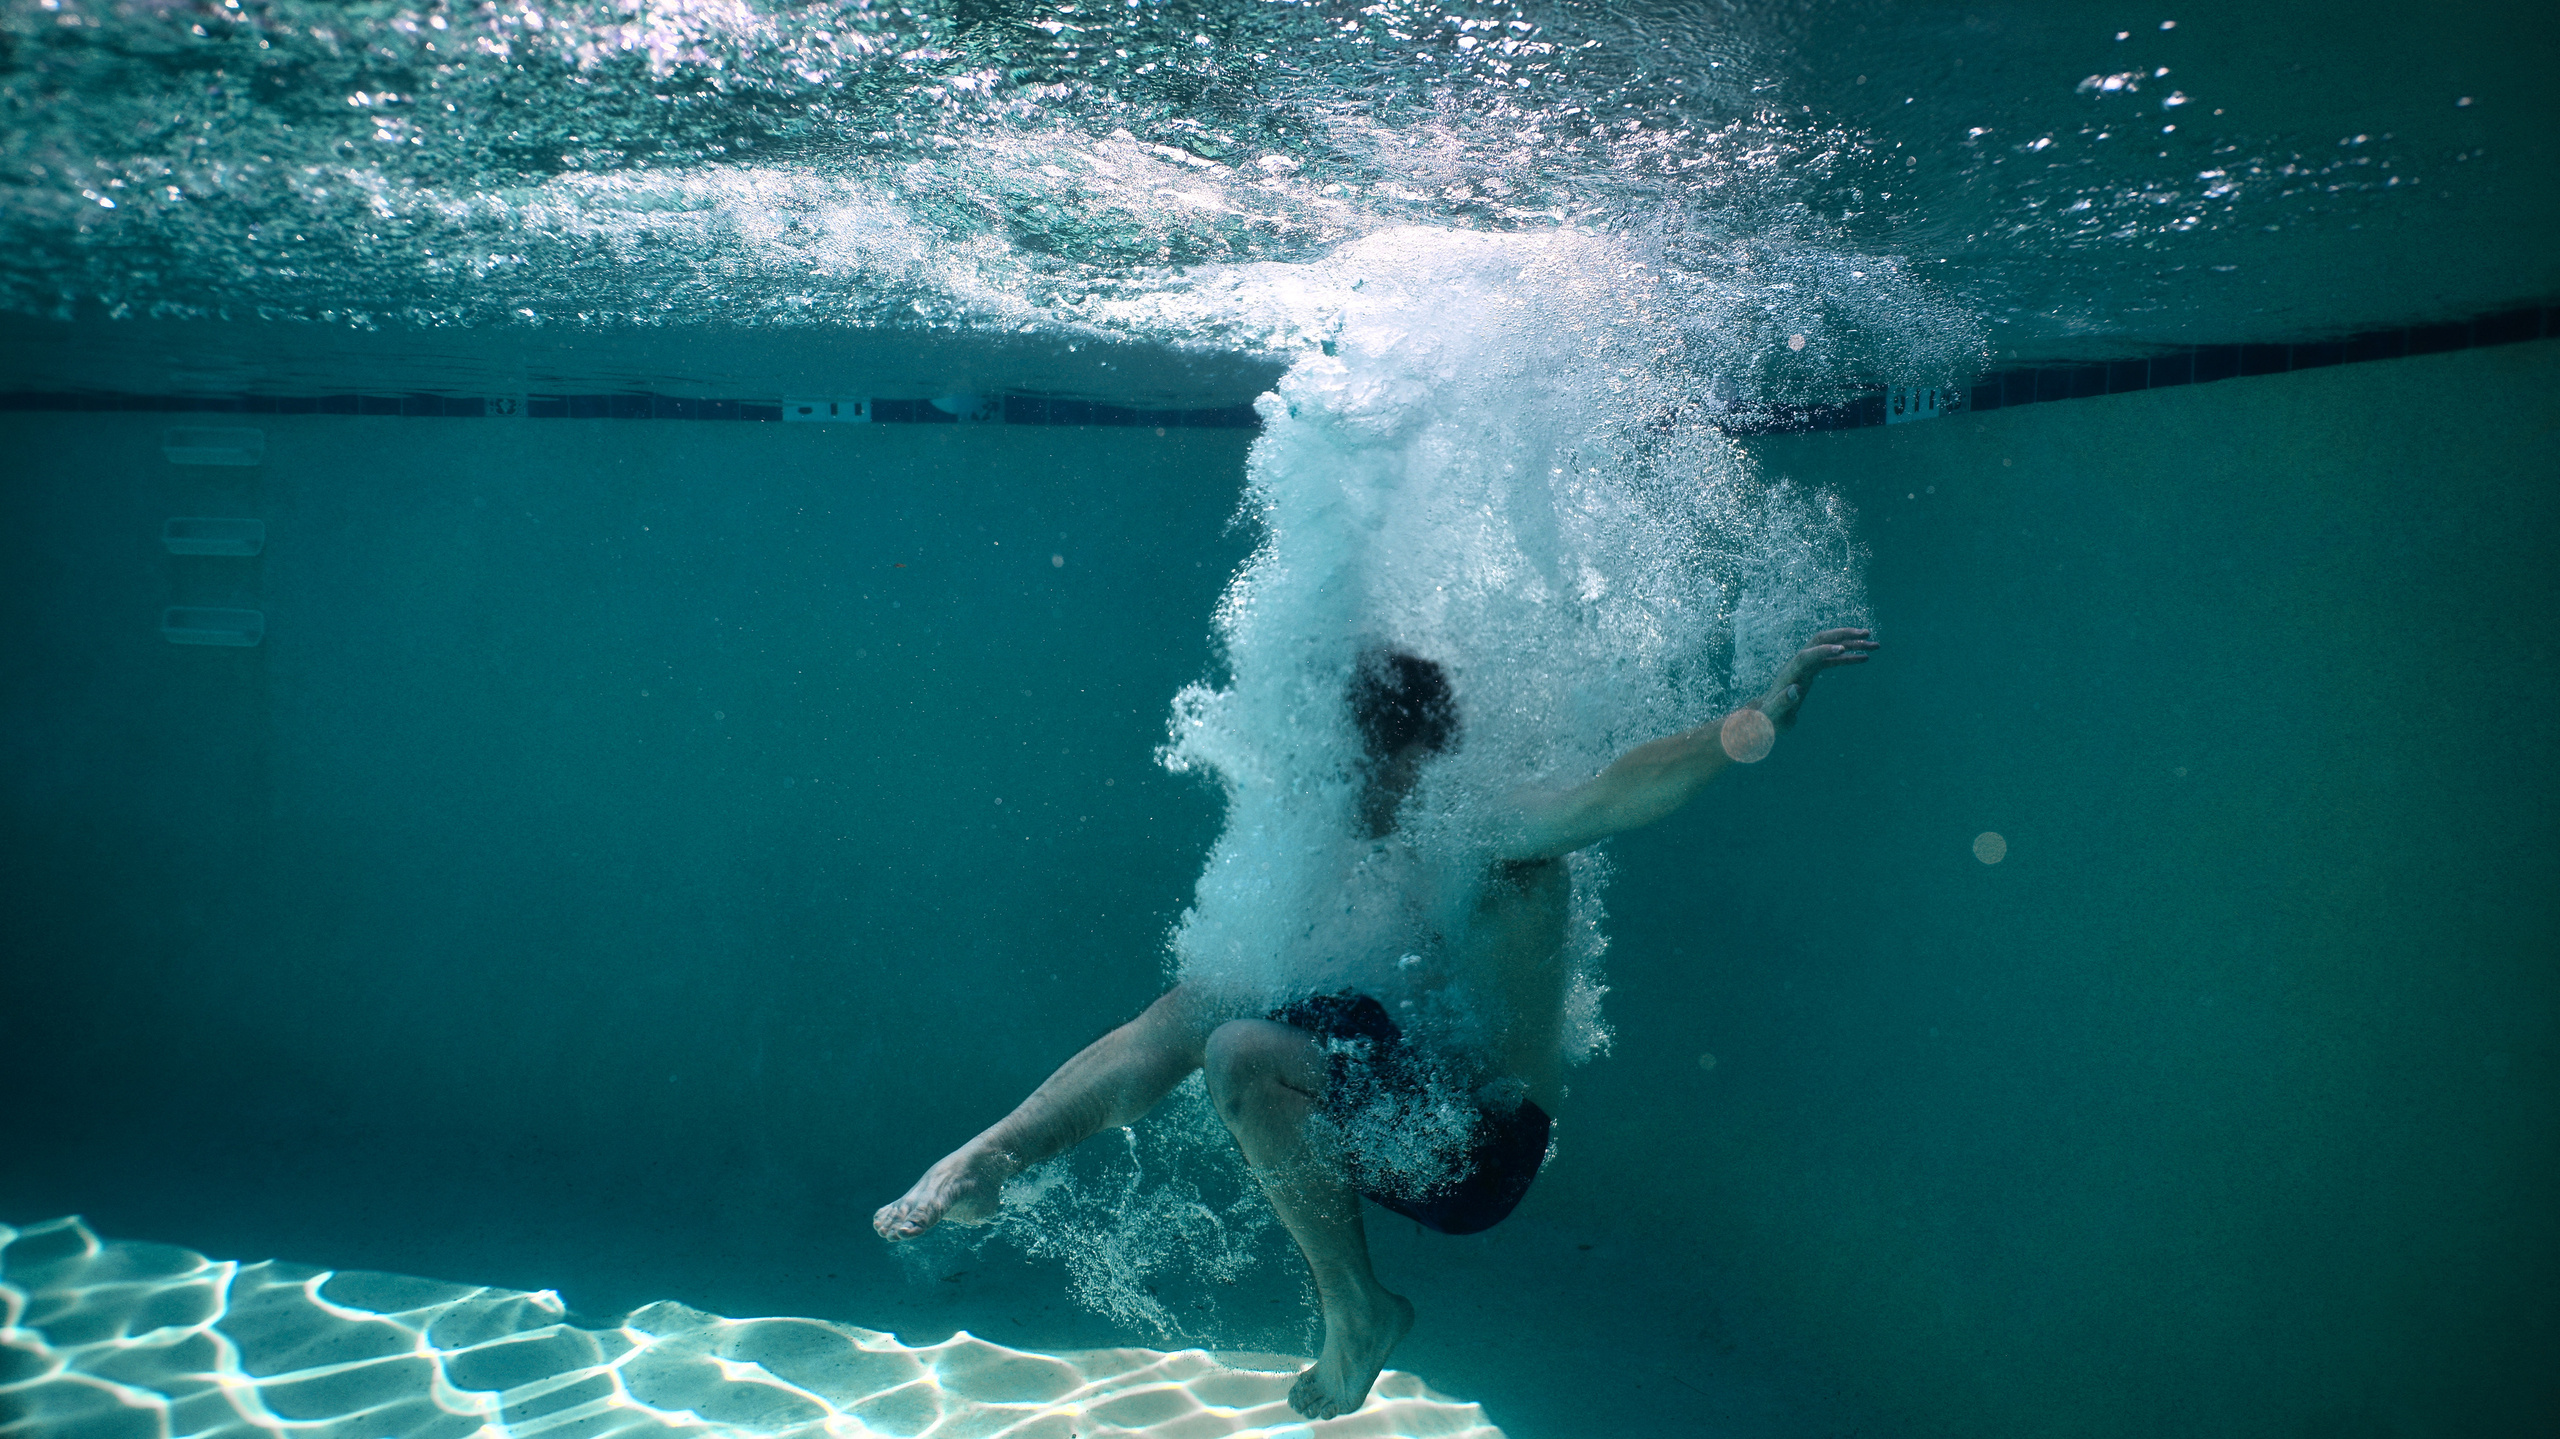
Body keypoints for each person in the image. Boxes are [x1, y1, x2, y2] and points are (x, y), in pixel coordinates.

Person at [875, 628, 1879, 1419]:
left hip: (1486, 1149)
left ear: (1413, 752)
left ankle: (1354, 1311)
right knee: (1210, 1007)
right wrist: (993, 1147)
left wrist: (1753, 720)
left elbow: (1612, 794)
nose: (1336, 789)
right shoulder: (1344, 869)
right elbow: (1154, 1039)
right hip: (1403, 1113)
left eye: (1357, 765)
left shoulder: (1479, 823)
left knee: (1245, 1046)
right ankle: (997, 1159)